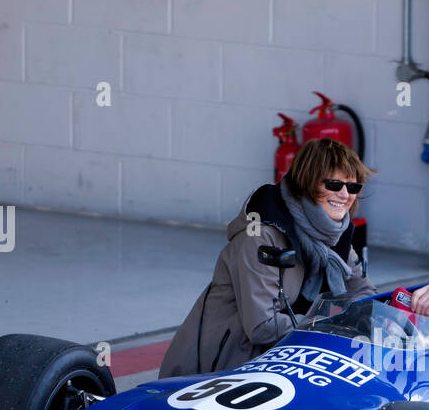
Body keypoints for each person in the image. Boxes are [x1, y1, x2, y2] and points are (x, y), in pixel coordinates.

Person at [159, 139, 375, 377]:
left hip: (282, 359)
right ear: (308, 181)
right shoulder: (261, 234)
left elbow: (365, 294)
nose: (345, 195)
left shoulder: (334, 233)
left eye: (353, 187)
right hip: (218, 370)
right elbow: (262, 326)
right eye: (334, 184)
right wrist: (332, 326)